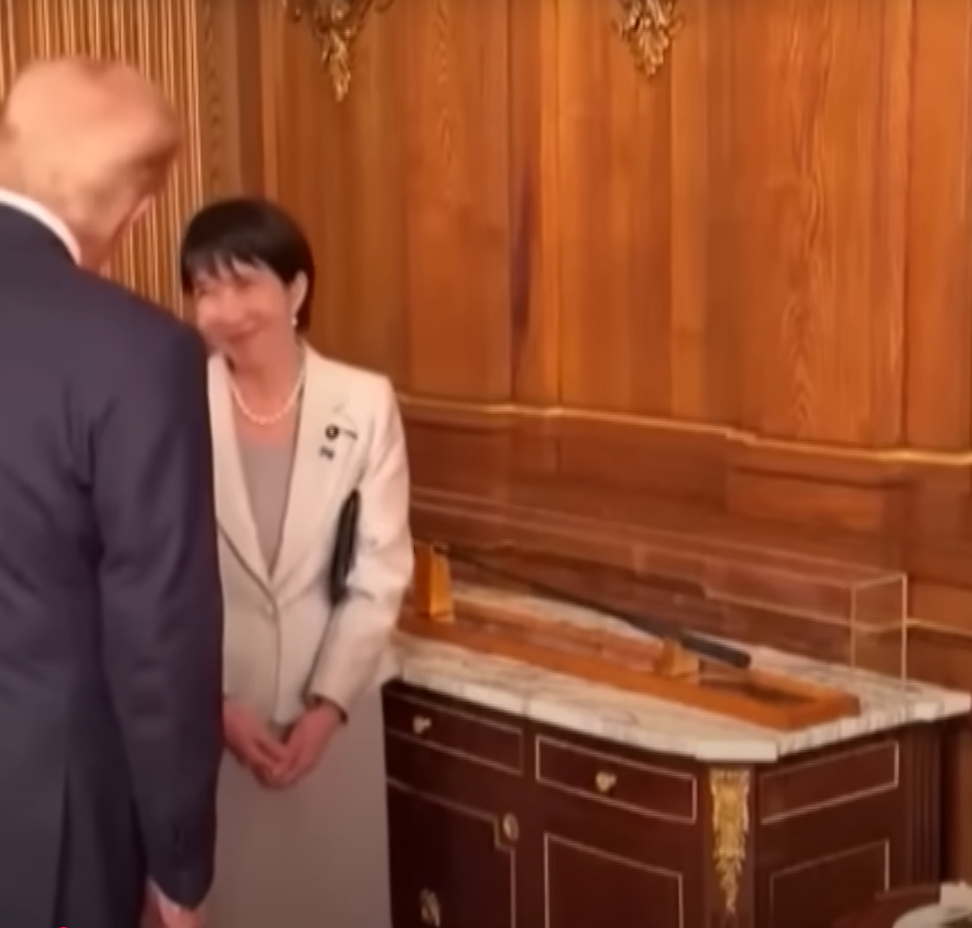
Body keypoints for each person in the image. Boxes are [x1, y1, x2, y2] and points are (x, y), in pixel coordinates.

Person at [0, 59, 223, 928]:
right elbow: (160, 634)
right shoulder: (139, 354)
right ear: (135, 214)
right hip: (49, 823)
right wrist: (180, 862)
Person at [179, 197, 413, 928]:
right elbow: (149, 574)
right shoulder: (170, 402)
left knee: (332, 903)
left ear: (296, 288)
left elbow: (380, 571)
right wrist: (213, 706)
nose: (225, 309)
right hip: (213, 721)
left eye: (243, 283)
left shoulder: (364, 403)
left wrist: (329, 706)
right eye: (205, 290)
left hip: (332, 721)